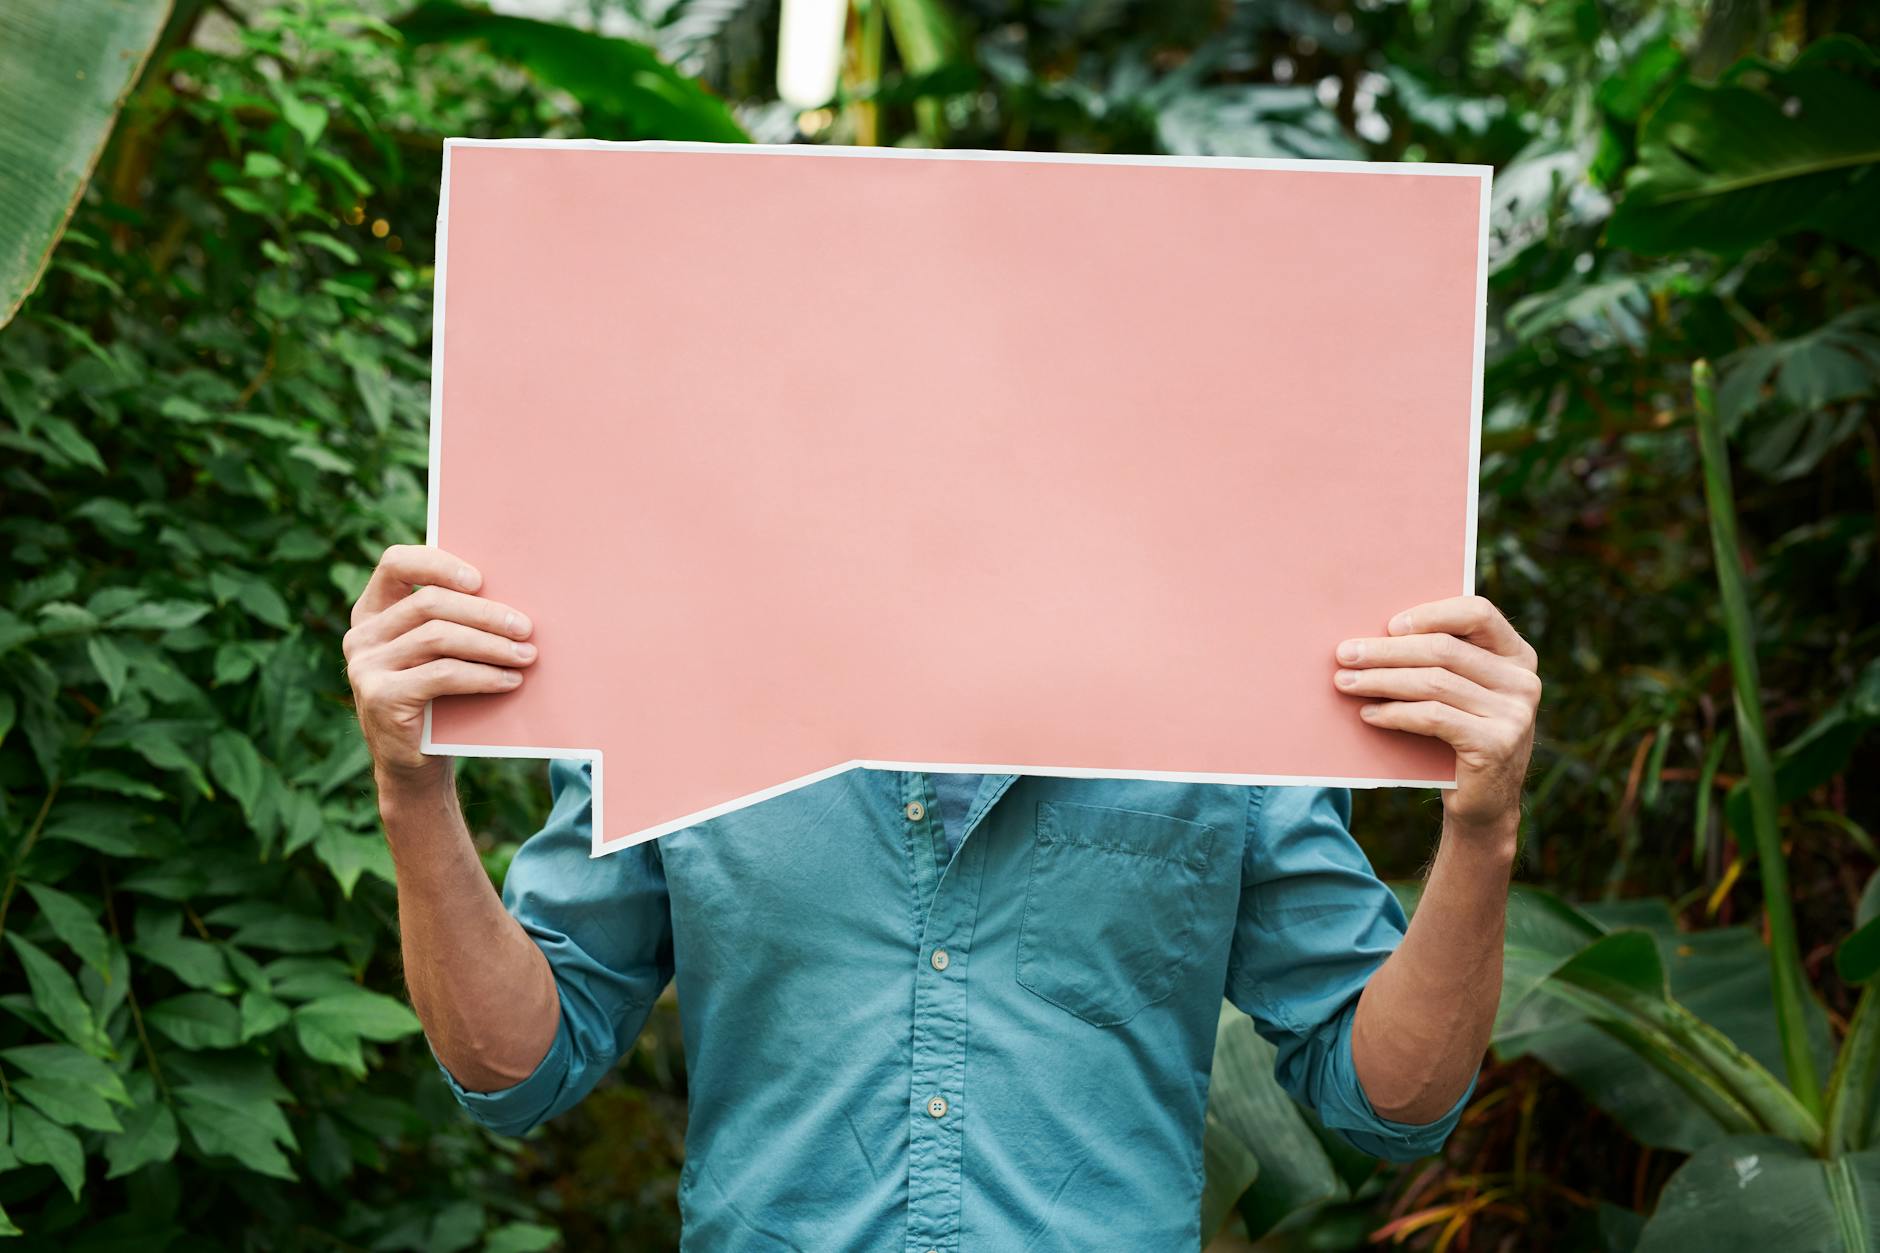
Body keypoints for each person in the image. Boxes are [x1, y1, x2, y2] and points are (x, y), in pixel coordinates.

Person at [346, 543, 1539, 1251]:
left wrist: (1482, 828)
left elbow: (1389, 1099)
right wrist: (411, 787)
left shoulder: (1226, 696)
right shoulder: (672, 673)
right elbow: (517, 1066)